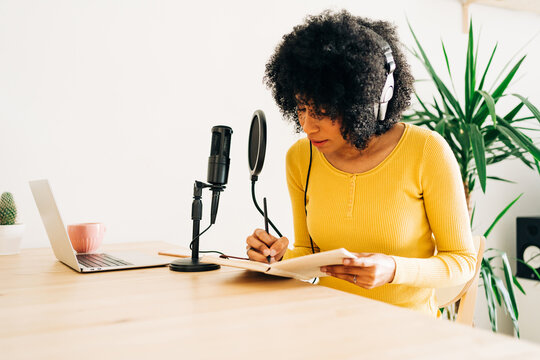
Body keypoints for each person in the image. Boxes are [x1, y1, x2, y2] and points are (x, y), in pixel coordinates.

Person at [245, 10, 476, 316]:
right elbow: (310, 256)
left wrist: (394, 269)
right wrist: (276, 256)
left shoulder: (426, 151)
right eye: (301, 107)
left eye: (323, 110)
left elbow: (462, 262)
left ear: (367, 102)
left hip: (408, 333)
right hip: (328, 325)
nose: (308, 126)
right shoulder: (301, 158)